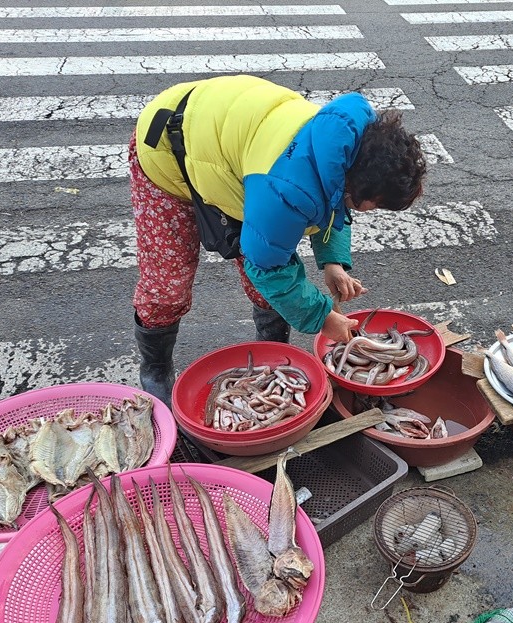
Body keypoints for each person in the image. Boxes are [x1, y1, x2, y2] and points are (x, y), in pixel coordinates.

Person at [129, 74, 428, 404]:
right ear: (356, 185)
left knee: (269, 266)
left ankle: (272, 350)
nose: (373, 212)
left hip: (234, 153)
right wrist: (323, 318)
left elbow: (333, 200)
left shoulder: (349, 143)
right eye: (376, 204)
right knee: (168, 285)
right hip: (166, 149)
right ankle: (155, 370)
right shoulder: (286, 189)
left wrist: (333, 262)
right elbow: (268, 266)